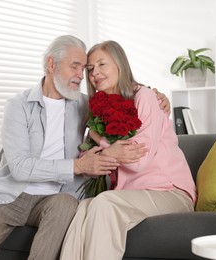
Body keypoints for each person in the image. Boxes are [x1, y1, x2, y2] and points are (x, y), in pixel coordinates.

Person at [0, 35, 170, 260]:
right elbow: (19, 167)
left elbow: (125, 94)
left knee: (65, 206)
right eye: (75, 66)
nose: (82, 75)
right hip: (12, 194)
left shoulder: (87, 104)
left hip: (58, 197)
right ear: (51, 64)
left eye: (83, 68)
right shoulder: (17, 106)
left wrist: (158, 96)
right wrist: (77, 166)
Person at [59, 40, 197, 260]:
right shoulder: (98, 109)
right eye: (91, 69)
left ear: (120, 64)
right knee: (84, 207)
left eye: (102, 64)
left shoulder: (146, 97)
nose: (96, 73)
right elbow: (88, 161)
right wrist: (103, 152)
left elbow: (137, 161)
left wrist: (101, 140)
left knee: (104, 203)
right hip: (130, 195)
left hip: (170, 192)